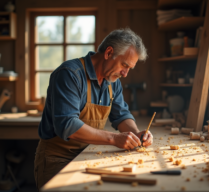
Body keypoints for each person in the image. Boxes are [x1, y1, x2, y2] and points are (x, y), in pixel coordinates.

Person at [34, 28, 153, 189]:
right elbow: (67, 125)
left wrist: (136, 134)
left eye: (129, 68)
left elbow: (121, 115)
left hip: (87, 155)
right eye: (124, 65)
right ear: (109, 53)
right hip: (58, 158)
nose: (125, 74)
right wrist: (114, 139)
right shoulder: (70, 74)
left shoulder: (113, 81)